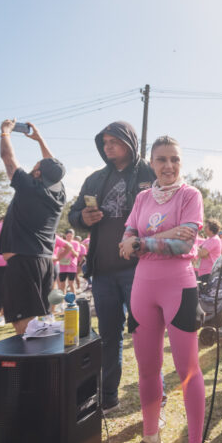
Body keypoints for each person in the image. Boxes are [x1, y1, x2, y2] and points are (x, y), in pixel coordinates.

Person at [116, 135, 207, 443]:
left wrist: (141, 242)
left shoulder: (190, 195)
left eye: (175, 160)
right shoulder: (142, 197)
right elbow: (126, 239)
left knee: (188, 369)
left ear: (181, 163)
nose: (168, 166)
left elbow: (186, 244)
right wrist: (150, 239)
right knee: (146, 369)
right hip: (143, 286)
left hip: (178, 286)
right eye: (161, 160)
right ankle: (151, 439)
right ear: (151, 163)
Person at [68, 121, 155, 414]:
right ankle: (108, 396)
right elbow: (73, 213)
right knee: (108, 336)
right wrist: (83, 218)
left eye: (114, 141)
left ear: (129, 142)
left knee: (145, 333)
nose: (108, 147)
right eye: (104, 142)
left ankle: (156, 396)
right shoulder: (94, 179)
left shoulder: (148, 172)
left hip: (139, 267)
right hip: (102, 270)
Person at [0, 120, 66, 336]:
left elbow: (8, 160)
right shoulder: (59, 194)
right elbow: (53, 167)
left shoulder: (29, 188)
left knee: (25, 328)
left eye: (35, 166)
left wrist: (5, 134)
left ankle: (30, 367)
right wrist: (39, 140)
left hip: (24, 261)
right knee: (36, 326)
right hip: (43, 260)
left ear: (37, 173)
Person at [195, 219, 222, 284]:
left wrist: (199, 250)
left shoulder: (214, 239)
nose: (204, 228)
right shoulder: (209, 239)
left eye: (206, 227)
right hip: (205, 272)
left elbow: (201, 253)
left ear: (211, 228)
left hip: (209, 272)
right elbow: (200, 251)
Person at [55, 229, 81, 295]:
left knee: (71, 283)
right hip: (62, 266)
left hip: (72, 266)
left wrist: (71, 248)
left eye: (71, 236)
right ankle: (62, 303)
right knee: (62, 285)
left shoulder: (76, 243)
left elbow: (77, 255)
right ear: (65, 235)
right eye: (68, 236)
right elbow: (57, 255)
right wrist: (60, 252)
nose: (69, 237)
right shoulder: (62, 242)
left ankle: (73, 301)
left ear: (73, 236)